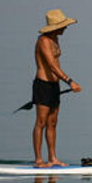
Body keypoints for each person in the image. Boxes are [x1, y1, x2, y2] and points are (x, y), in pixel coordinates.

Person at [33, 9, 82, 167]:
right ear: (55, 27)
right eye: (63, 25)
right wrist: (70, 81)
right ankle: (38, 160)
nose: (66, 28)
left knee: (53, 122)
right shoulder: (43, 41)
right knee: (41, 122)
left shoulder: (55, 39)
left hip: (55, 85)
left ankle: (53, 158)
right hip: (43, 85)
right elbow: (52, 66)